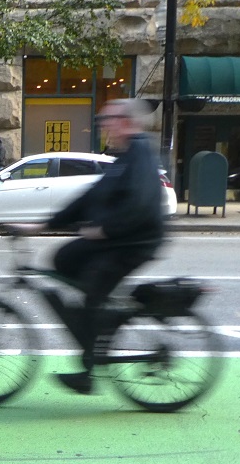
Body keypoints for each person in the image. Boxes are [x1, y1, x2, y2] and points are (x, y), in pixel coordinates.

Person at [19, 98, 166, 394]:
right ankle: (96, 320)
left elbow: (140, 203)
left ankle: (91, 365)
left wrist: (106, 229)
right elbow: (89, 198)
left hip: (134, 243)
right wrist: (42, 225)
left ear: (125, 122)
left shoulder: (140, 154)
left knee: (94, 291)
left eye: (107, 120)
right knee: (64, 258)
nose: (103, 126)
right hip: (118, 239)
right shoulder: (123, 156)